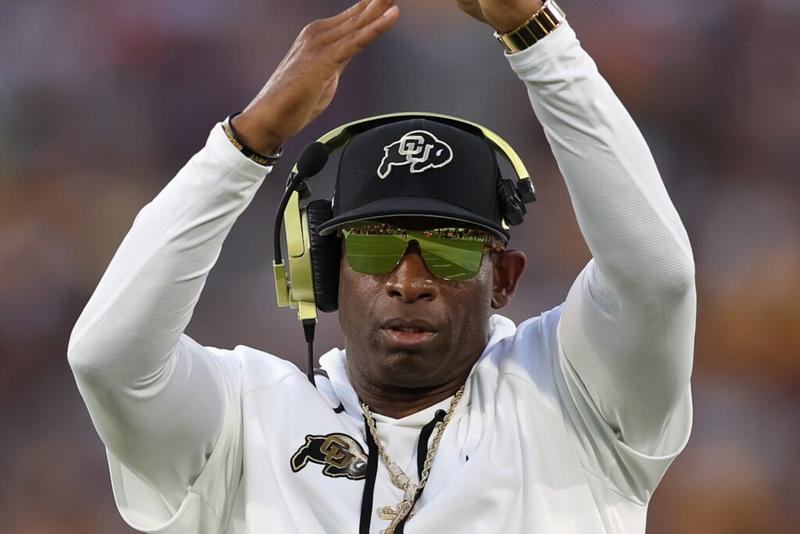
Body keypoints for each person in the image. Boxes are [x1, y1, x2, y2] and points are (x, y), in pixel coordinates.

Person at [67, 0, 696, 532]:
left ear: (503, 279)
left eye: (448, 249)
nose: (408, 282)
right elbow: (108, 357)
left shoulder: (574, 397)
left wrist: (543, 45)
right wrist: (245, 144)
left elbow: (657, 276)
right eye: (373, 247)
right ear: (326, 270)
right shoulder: (242, 419)